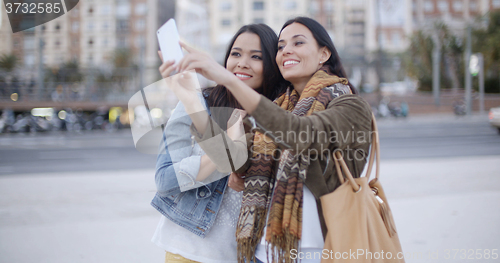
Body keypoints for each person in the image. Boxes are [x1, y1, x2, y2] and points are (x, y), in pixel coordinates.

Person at [174, 17, 374, 263]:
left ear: (324, 54)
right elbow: (231, 161)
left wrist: (229, 79)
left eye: (298, 43)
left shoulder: (350, 106)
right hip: (265, 253)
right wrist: (192, 103)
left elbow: (300, 134)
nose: (286, 50)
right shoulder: (280, 108)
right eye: (281, 46)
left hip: (322, 251)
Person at [151, 24, 287, 263]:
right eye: (236, 54)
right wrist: (225, 150)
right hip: (189, 251)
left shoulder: (279, 117)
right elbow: (165, 181)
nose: (242, 63)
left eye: (256, 57)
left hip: (251, 255)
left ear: (272, 66)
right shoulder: (195, 102)